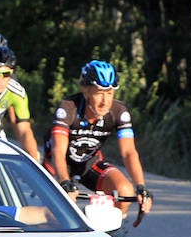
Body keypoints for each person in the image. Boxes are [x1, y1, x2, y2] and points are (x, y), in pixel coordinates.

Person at [43, 60, 152, 217]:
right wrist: (64, 183)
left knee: (124, 192)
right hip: (58, 164)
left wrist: (141, 187)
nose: (105, 101)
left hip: (88, 163)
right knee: (59, 212)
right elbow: (58, 151)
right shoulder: (68, 108)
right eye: (99, 93)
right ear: (85, 91)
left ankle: (108, 231)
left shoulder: (118, 112)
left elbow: (128, 152)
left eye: (109, 93)